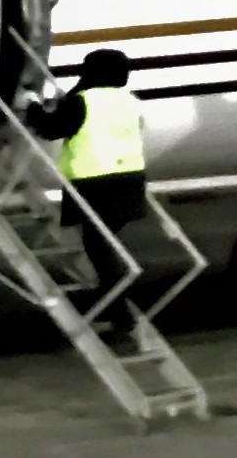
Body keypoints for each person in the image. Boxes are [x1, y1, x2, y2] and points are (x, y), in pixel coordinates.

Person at [28, 50, 151, 309]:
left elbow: (51, 129)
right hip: (130, 182)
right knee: (104, 244)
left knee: (99, 248)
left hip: (96, 184)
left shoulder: (83, 100)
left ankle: (118, 306)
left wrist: (33, 110)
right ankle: (115, 301)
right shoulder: (128, 99)